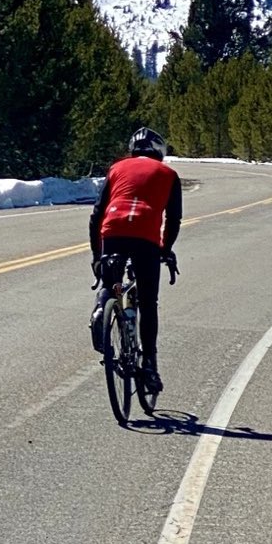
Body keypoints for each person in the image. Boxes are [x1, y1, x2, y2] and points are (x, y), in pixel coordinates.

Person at [89, 127, 181, 393]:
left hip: (113, 229)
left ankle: (104, 304)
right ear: (159, 152)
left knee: (112, 285)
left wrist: (97, 256)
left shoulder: (116, 168)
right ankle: (149, 366)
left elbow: (97, 214)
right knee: (148, 302)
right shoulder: (169, 174)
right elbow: (173, 219)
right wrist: (166, 248)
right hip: (145, 235)